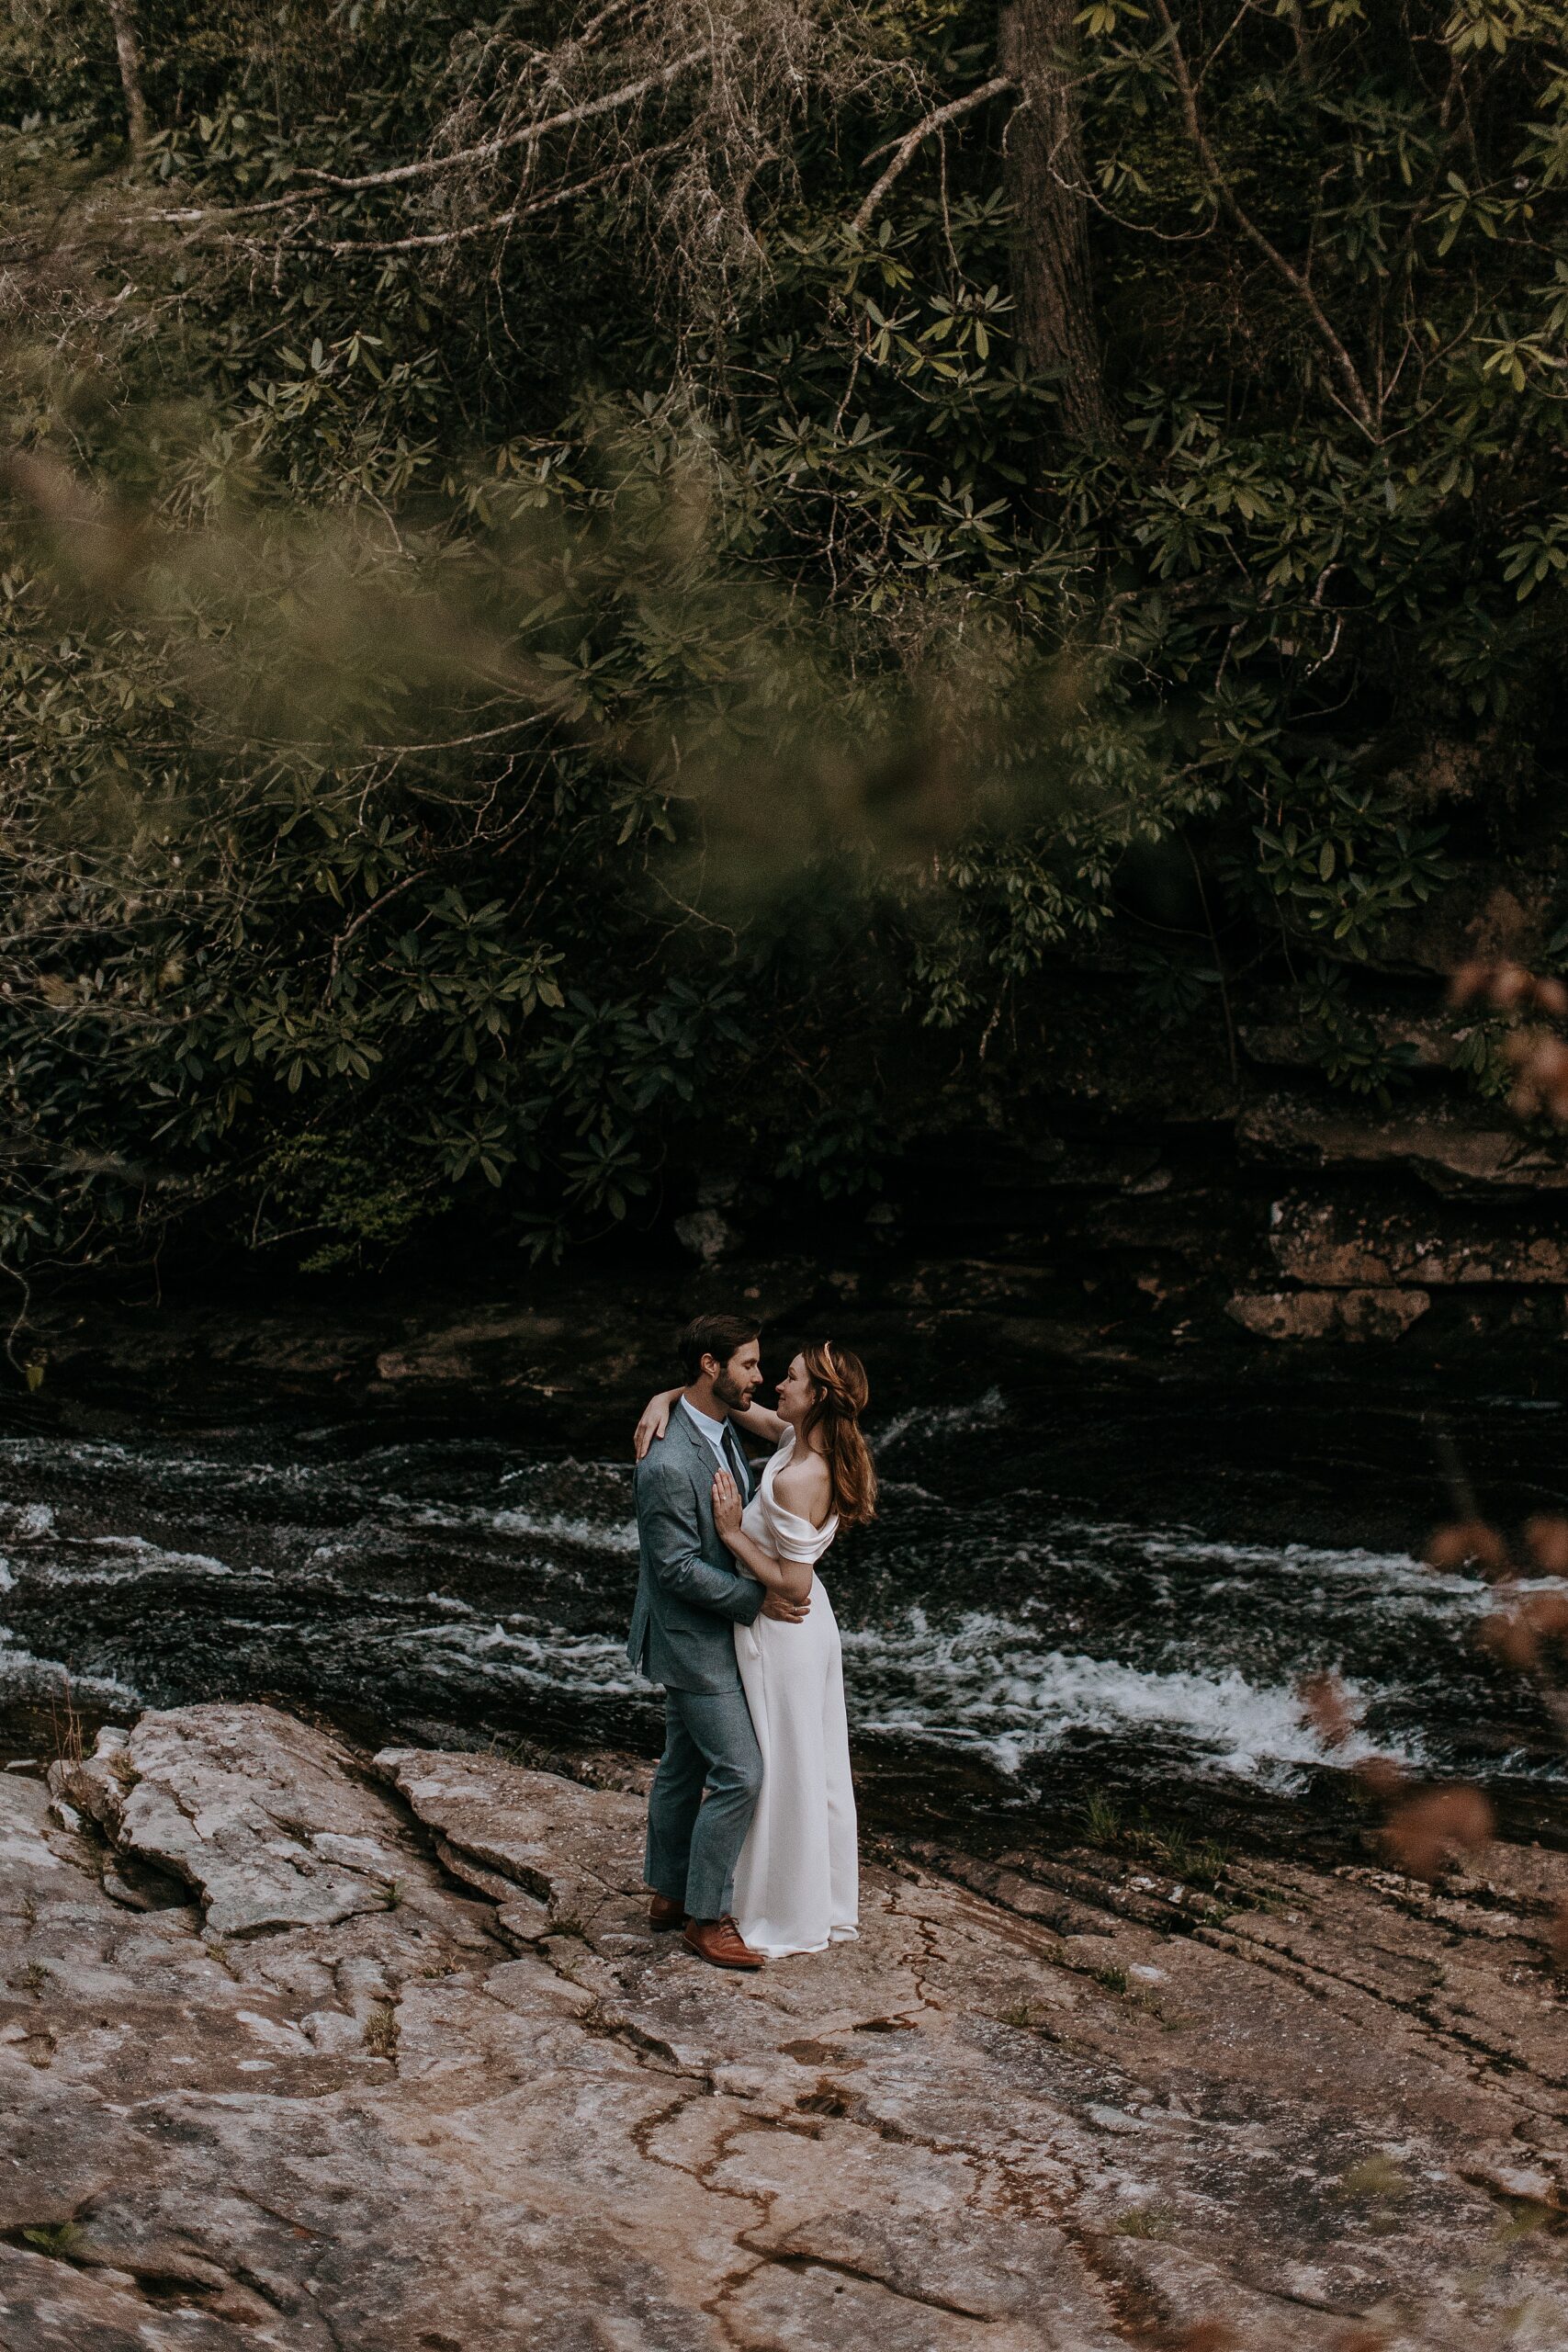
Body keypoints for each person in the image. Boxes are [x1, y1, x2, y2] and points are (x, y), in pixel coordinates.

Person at [635, 1338, 876, 1961]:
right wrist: (663, 1397)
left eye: (788, 1377)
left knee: (779, 1768)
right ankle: (676, 1892)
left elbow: (791, 1583)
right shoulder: (796, 1438)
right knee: (688, 1759)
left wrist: (730, 1532)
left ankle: (743, 1905)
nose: (772, 1383)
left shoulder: (801, 1473)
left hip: (783, 1621)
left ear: (817, 1396)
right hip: (764, 1620)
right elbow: (723, 1400)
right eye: (760, 1367)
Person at [626, 1314, 810, 1970]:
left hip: (712, 1629)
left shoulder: (716, 1418)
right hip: (691, 1636)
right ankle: (707, 1917)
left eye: (764, 1367)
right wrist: (758, 1601)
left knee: (682, 1764)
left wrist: (667, 1394)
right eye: (749, 1365)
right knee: (740, 1773)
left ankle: (669, 1893)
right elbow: (673, 1569)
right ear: (711, 1365)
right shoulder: (667, 1463)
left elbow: (804, 1425)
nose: (759, 1377)